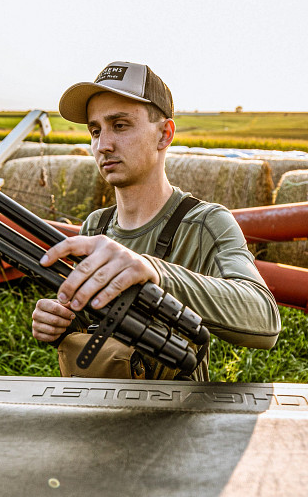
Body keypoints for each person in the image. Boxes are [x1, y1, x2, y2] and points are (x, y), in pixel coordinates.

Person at [31, 61, 281, 380]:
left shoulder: (205, 223)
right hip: (96, 411)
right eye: (95, 131)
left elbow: (264, 319)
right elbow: (95, 324)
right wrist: (61, 321)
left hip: (177, 419)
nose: (102, 145)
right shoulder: (96, 227)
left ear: (164, 134)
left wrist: (156, 272)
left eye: (120, 125)